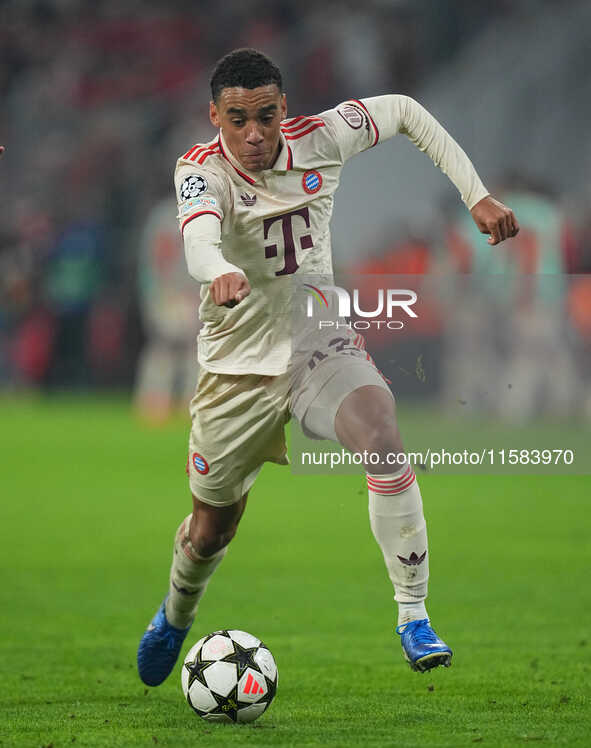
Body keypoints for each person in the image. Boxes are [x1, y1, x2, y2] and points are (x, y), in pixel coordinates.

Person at [137, 48, 519, 686]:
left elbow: (403, 111)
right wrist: (219, 270)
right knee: (210, 529)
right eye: (237, 120)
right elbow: (198, 239)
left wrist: (475, 195)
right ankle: (177, 613)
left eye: (266, 116)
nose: (254, 133)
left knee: (382, 433)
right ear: (215, 117)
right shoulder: (198, 171)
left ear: (284, 109)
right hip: (235, 371)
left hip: (316, 344)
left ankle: (413, 613)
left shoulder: (321, 139)